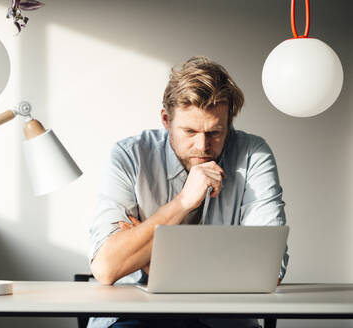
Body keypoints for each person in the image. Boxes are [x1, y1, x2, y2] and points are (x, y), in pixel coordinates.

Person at [88, 56, 289, 328]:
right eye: (190, 131)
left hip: (226, 319)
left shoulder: (253, 154)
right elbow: (107, 268)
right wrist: (182, 202)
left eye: (216, 132)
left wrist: (152, 262)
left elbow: (268, 270)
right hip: (135, 315)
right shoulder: (129, 155)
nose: (203, 146)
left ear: (230, 122)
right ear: (165, 119)